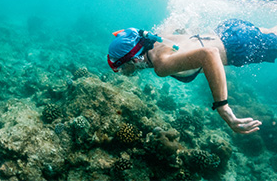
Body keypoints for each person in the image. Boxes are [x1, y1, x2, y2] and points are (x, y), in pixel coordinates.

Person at [107, 19, 277, 134]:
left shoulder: (161, 65)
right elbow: (177, 22)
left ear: (135, 60)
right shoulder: (156, 38)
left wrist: (223, 107)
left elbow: (210, 53)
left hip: (239, 47)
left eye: (120, 67)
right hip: (228, 31)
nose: (121, 72)